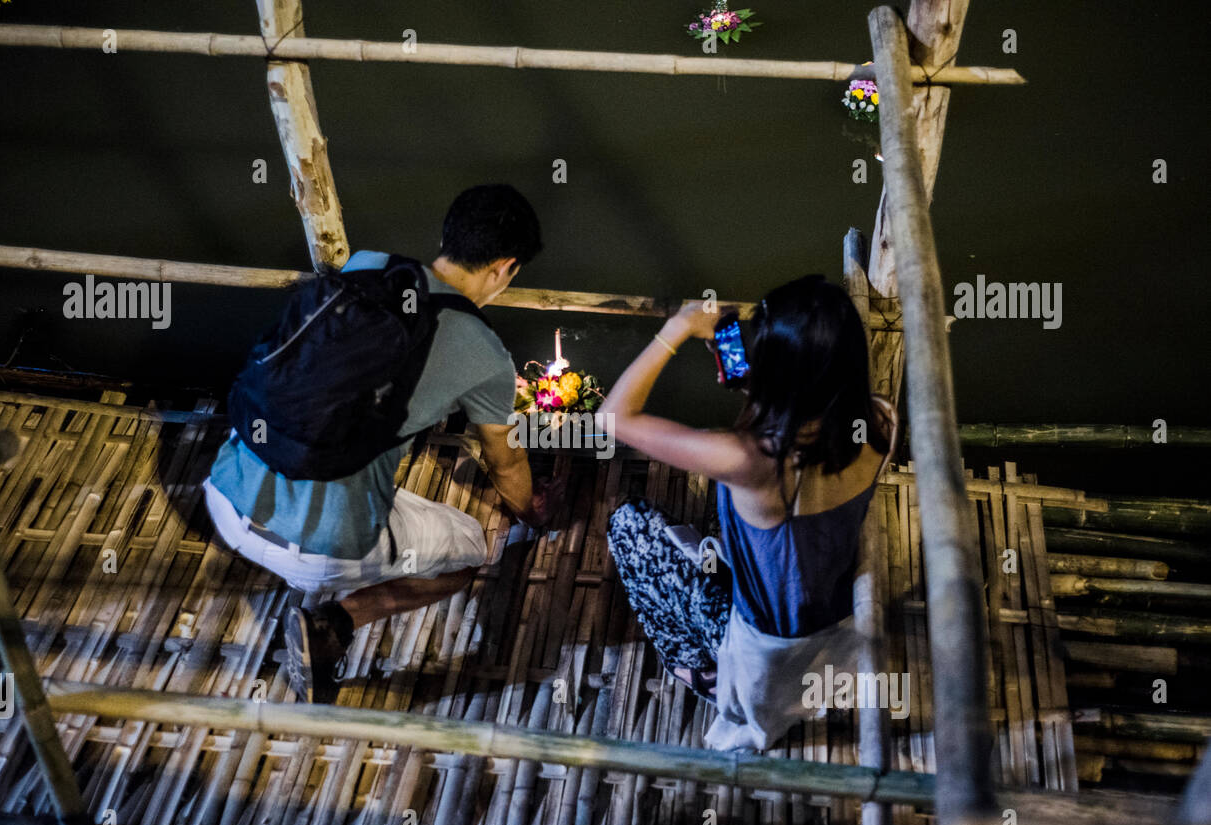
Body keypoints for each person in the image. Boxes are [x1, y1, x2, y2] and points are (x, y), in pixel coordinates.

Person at [204, 184, 558, 703]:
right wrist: (530, 509)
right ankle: (334, 623)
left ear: (447, 235)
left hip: (223, 491)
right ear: (505, 269)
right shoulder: (487, 354)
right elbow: (506, 466)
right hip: (317, 554)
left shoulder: (368, 265)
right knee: (468, 553)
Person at [601, 275, 898, 751]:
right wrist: (757, 385)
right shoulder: (880, 420)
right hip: (832, 618)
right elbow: (808, 412)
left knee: (627, 526)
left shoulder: (750, 461)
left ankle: (701, 671)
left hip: (764, 642)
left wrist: (676, 328)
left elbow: (613, 417)